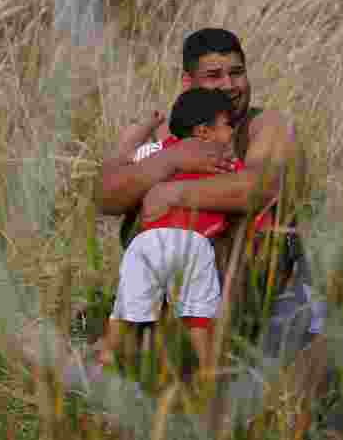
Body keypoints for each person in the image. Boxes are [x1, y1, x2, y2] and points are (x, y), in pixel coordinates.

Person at [97, 28, 323, 359]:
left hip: (267, 301)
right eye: (214, 75)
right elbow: (107, 197)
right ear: (188, 83)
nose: (230, 85)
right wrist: (172, 158)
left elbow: (257, 189)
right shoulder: (169, 134)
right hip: (179, 299)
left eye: (237, 72)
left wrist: (172, 193)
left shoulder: (267, 126)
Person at [97, 88, 249, 381]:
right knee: (199, 314)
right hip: (194, 242)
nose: (232, 132)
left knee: (126, 305)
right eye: (228, 125)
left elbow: (127, 162)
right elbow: (247, 188)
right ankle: (207, 368)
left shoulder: (162, 152)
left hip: (147, 240)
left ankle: (107, 353)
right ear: (204, 131)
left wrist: (142, 131)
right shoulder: (224, 160)